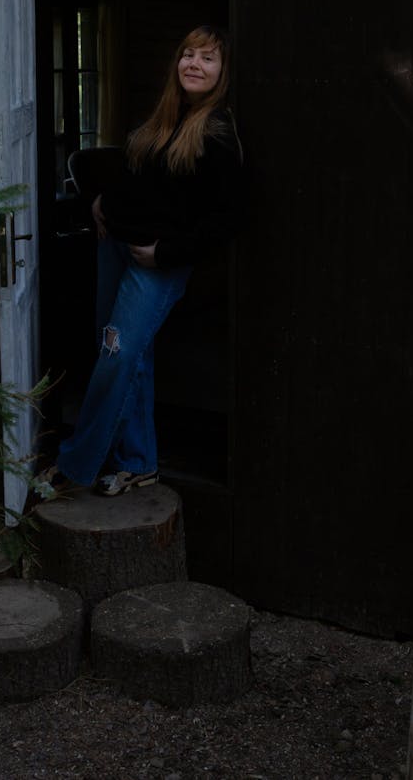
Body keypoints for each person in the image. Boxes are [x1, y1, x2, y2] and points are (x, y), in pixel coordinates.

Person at [33, 25, 243, 502]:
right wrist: (104, 201)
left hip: (155, 263)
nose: (193, 64)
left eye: (207, 59)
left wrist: (166, 253)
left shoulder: (217, 131)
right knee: (128, 354)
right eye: (187, 54)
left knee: (117, 354)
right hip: (115, 247)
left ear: (223, 72)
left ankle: (74, 464)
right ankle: (138, 463)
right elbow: (143, 179)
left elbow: (229, 218)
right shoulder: (168, 116)